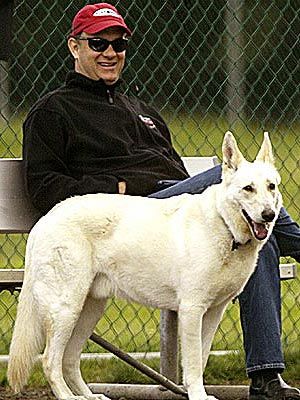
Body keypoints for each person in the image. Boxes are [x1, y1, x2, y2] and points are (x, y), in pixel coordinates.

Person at [22, 3, 300, 399]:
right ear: (74, 47)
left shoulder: (143, 111)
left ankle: (266, 377)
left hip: (172, 216)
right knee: (244, 189)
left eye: (119, 45)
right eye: (98, 42)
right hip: (129, 215)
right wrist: (115, 187)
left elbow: (180, 182)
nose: (109, 52)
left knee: (258, 230)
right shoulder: (53, 110)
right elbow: (43, 186)